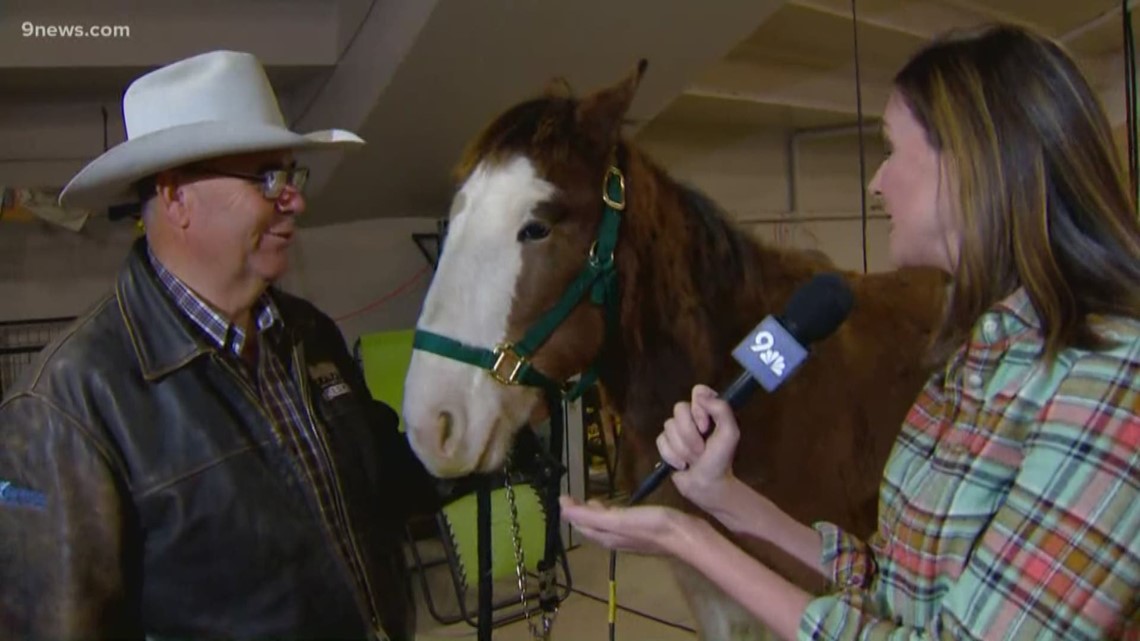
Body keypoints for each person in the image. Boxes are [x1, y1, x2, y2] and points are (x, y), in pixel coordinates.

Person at [561, 23, 1140, 640]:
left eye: (891, 150)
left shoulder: (1109, 380)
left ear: (973, 164)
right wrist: (725, 499)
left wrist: (687, 538)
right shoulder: (978, 351)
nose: (876, 182)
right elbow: (893, 580)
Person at [0, 50, 440, 640]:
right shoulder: (68, 405)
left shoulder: (307, 333)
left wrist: (483, 429)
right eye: (267, 178)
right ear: (176, 196)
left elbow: (383, 485)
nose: (296, 201)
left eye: (292, 174)